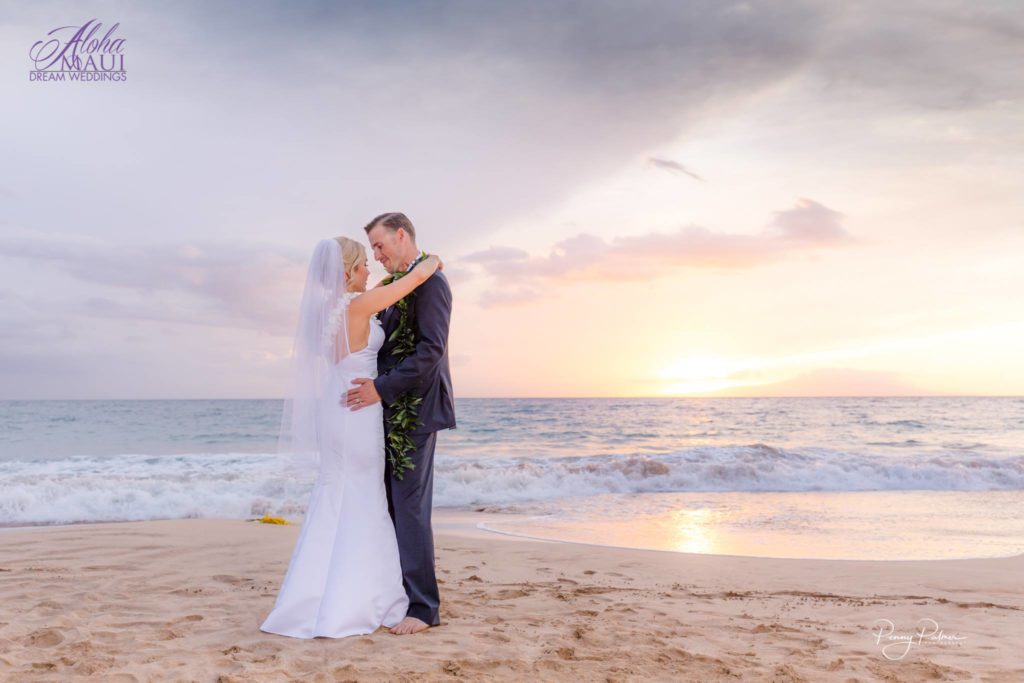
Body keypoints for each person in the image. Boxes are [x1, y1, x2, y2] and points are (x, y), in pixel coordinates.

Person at [260, 235, 443, 639]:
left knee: (336, 496)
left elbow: (382, 291)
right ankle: (365, 597)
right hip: (359, 411)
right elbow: (408, 283)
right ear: (347, 271)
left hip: (336, 410)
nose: (370, 270)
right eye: (363, 265)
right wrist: (430, 262)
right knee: (364, 498)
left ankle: (313, 596)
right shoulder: (358, 306)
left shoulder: (325, 313)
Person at [344, 212, 456, 635]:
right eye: (371, 249)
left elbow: (430, 352)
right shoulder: (393, 286)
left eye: (379, 245)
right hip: (385, 410)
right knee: (391, 505)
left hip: (416, 409)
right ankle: (399, 595)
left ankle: (424, 608)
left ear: (402, 235)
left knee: (409, 508)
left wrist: (381, 388)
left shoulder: (433, 284)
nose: (376, 255)